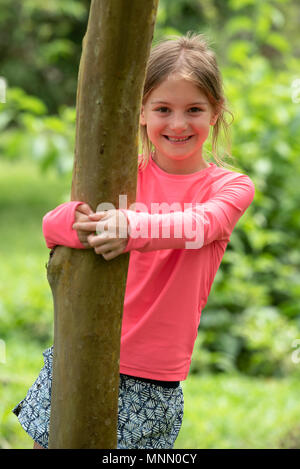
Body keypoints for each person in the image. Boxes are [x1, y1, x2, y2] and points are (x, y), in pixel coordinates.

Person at [13, 31, 255, 449]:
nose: (178, 124)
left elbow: (203, 224)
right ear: (141, 111)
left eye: (193, 109)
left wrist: (129, 228)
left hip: (152, 376)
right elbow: (53, 225)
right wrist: (76, 221)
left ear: (215, 112)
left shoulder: (228, 188)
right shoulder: (123, 174)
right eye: (163, 108)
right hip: (81, 352)